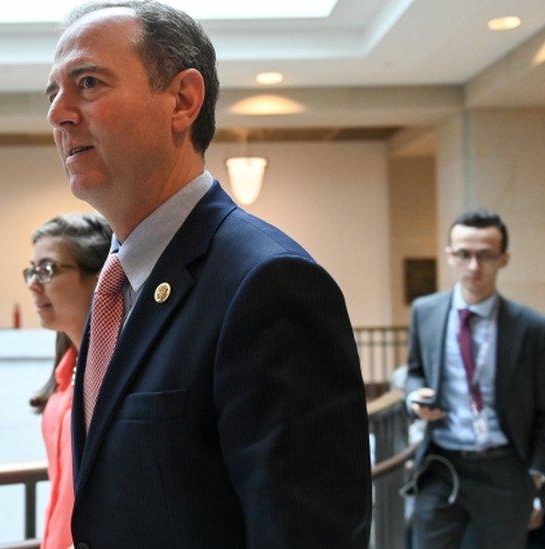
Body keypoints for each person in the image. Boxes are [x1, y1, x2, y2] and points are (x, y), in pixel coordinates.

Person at [45, 2, 371, 546]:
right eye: (52, 93)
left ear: (183, 101)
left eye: (88, 82)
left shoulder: (268, 284)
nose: (59, 113)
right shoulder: (116, 284)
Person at [403, 209, 545, 549]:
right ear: (450, 255)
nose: (473, 267)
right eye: (464, 255)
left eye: (485, 256)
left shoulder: (530, 327)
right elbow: (414, 372)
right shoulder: (426, 312)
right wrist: (413, 399)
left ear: (504, 259)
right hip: (440, 463)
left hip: (504, 468)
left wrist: (537, 476)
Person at [26, 213, 112, 549]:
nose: (34, 283)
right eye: (31, 271)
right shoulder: (65, 373)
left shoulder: (116, 378)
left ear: (98, 278)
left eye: (47, 269)